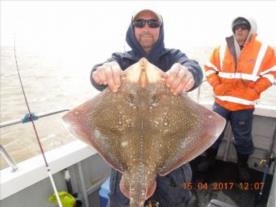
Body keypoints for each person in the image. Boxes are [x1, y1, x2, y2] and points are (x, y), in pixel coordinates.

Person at [90, 9, 203, 207]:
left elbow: (193, 67)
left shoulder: (173, 58)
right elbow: (100, 72)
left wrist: (189, 73)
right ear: (132, 29)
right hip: (126, 164)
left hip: (170, 165)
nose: (146, 28)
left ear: (161, 29)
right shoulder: (121, 60)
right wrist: (98, 73)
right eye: (140, 23)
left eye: (153, 23)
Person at [202, 16, 276, 181]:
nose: (239, 30)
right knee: (213, 134)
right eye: (236, 28)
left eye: (243, 27)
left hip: (243, 105)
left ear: (251, 30)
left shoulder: (265, 50)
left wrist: (254, 91)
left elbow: (271, 73)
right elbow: (209, 68)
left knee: (243, 138)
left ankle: (242, 166)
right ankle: (209, 160)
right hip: (221, 102)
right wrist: (216, 85)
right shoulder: (221, 49)